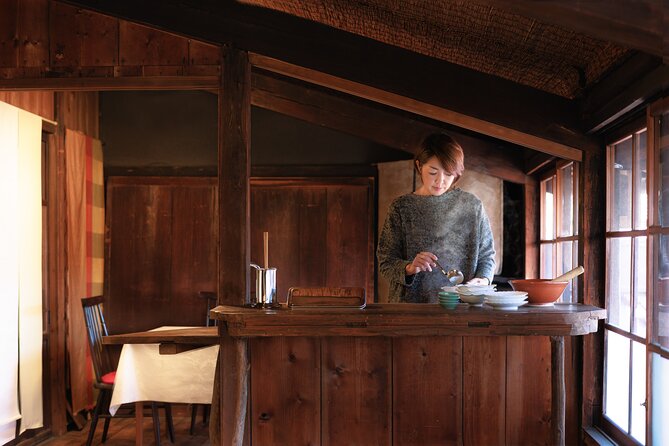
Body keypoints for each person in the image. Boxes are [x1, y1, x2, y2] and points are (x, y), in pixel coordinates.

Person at [377, 133, 496, 303]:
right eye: (433, 172)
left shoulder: (472, 206)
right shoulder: (401, 208)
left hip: (461, 309)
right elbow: (385, 262)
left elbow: (487, 256)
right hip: (410, 310)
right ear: (419, 166)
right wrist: (410, 267)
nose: (440, 181)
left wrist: (483, 280)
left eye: (448, 174)